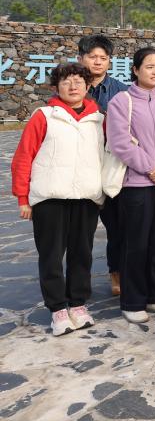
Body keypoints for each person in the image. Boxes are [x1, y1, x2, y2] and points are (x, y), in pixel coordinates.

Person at [11, 63, 105, 335]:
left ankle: (78, 304)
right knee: (51, 255)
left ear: (88, 86)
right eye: (66, 82)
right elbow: (24, 157)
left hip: (86, 197)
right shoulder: (44, 116)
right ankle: (57, 309)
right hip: (50, 197)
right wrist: (23, 197)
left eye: (79, 81)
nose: (73, 86)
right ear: (56, 87)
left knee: (82, 253)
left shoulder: (99, 119)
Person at [106, 47, 155, 323]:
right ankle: (133, 301)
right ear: (135, 70)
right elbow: (120, 142)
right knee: (136, 243)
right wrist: (150, 168)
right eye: (149, 66)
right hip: (136, 184)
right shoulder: (122, 101)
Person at [79, 34, 128, 296]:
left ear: (110, 61)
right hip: (81, 169)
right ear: (81, 59)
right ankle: (78, 279)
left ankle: (116, 272)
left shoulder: (121, 91)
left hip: (111, 168)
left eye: (103, 58)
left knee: (117, 227)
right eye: (92, 57)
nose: (98, 62)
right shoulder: (73, 88)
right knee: (80, 231)